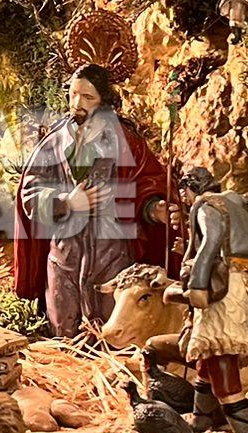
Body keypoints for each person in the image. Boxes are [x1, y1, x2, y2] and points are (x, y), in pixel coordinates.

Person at [13, 64, 170, 337]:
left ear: (104, 102)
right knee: (64, 332)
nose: (77, 104)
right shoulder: (53, 144)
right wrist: (66, 203)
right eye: (73, 94)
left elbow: (147, 183)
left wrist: (154, 207)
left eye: (88, 97)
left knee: (113, 333)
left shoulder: (126, 143)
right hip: (65, 258)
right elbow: (30, 195)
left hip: (112, 258)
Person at [166, 167, 248, 433]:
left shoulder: (206, 206)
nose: (184, 199)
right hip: (246, 283)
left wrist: (197, 284)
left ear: (191, 188)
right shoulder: (234, 201)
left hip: (225, 289)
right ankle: (201, 419)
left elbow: (210, 245)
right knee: (209, 352)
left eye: (184, 192)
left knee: (221, 354)